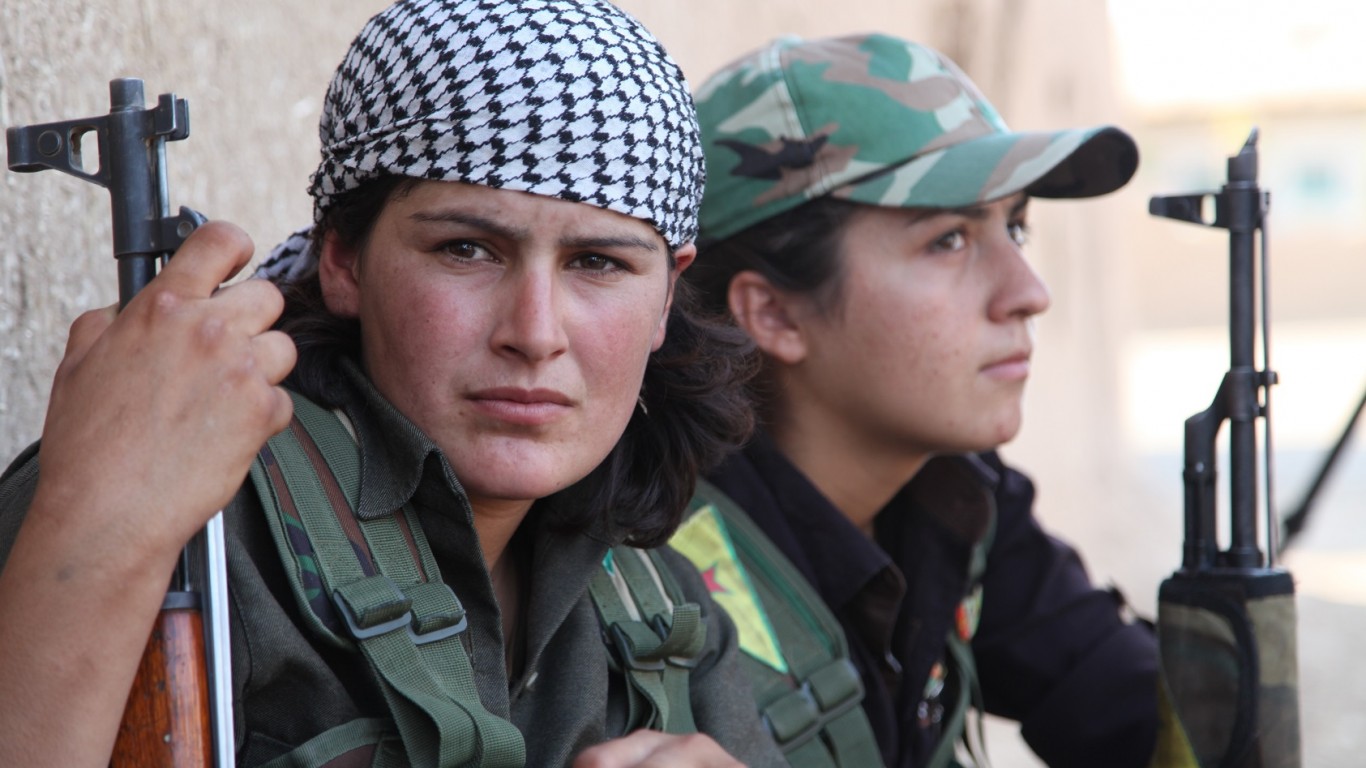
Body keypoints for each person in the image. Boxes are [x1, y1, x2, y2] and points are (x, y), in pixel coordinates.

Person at [0, 1, 786, 766]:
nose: (535, 331)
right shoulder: (185, 517)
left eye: (598, 263)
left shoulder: (661, 612)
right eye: (467, 249)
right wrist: (96, 522)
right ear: (343, 260)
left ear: (665, 298)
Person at [668, 33, 1159, 768]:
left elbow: (1127, 708)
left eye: (1015, 227)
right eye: (948, 240)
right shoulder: (645, 581)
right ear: (773, 313)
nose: (1029, 292)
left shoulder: (954, 495)